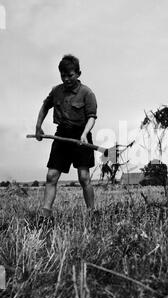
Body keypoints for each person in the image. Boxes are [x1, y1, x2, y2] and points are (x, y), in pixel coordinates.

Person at [35, 54, 98, 225]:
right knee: (51, 175)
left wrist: (84, 134)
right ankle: (45, 215)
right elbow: (44, 107)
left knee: (84, 177)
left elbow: (92, 117)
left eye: (70, 75)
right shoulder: (56, 91)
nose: (66, 79)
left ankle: (92, 214)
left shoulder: (87, 93)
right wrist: (38, 126)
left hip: (81, 136)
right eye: (63, 75)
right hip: (61, 135)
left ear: (78, 73)